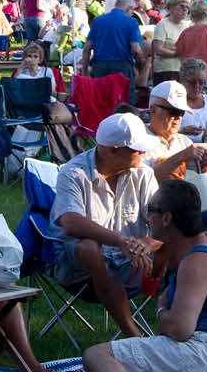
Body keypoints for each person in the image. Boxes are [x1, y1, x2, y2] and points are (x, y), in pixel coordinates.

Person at [69, 181, 207, 372]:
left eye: (150, 210)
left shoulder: (197, 262)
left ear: (166, 219)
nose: (147, 218)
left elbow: (179, 330)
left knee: (98, 356)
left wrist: (161, 309)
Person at [53, 113, 168, 335]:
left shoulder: (143, 174)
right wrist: (121, 241)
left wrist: (147, 243)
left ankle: (184, 331)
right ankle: (134, 335)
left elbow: (162, 224)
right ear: (112, 149)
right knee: (90, 248)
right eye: (137, 149)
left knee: (182, 244)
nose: (143, 153)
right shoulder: (74, 173)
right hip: (77, 268)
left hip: (131, 263)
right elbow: (70, 222)